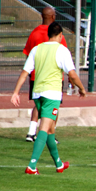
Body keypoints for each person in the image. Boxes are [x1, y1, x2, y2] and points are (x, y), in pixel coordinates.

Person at [11, 22, 86, 174]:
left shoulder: (37, 49)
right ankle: (32, 166)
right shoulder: (62, 50)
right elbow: (71, 74)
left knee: (50, 129)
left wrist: (16, 92)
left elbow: (25, 72)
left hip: (38, 93)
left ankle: (58, 164)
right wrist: (82, 88)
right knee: (44, 128)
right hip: (52, 94)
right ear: (60, 36)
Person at [22, 6, 68, 143]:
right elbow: (63, 57)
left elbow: (28, 55)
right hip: (53, 79)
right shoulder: (59, 36)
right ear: (53, 17)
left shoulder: (34, 33)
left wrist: (31, 72)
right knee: (53, 105)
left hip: (36, 76)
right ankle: (50, 133)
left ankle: (31, 132)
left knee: (38, 104)